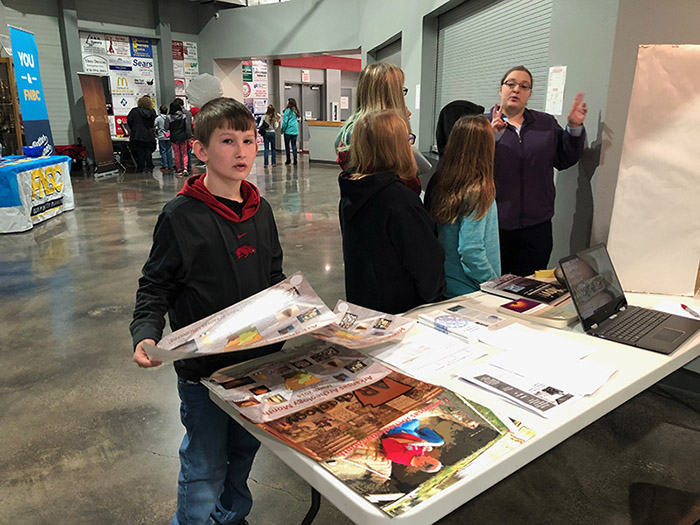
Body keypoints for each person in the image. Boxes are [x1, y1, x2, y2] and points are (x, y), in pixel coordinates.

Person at [130, 97, 285, 525]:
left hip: (256, 367)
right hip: (204, 374)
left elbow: (274, 273)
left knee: (242, 454)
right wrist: (146, 331)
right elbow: (155, 284)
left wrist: (296, 313)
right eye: (227, 141)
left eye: (249, 141)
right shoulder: (180, 216)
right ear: (200, 149)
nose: (241, 151)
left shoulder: (261, 209)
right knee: (205, 465)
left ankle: (230, 517)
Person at [338, 109, 445, 314]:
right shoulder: (399, 201)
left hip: (365, 308)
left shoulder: (352, 189)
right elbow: (427, 269)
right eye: (407, 139)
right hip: (403, 314)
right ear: (396, 148)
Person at [489, 65, 587, 277]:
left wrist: (574, 128)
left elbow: (564, 158)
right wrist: (492, 138)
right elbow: (473, 167)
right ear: (501, 89)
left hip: (537, 225)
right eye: (511, 84)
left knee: (530, 288)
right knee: (495, 287)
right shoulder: (482, 125)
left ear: (530, 94)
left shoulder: (545, 123)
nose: (516, 90)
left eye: (524, 86)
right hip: (496, 224)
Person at [426, 115, 501, 297]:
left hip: (445, 284)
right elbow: (471, 250)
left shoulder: (441, 180)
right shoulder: (479, 189)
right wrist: (494, 283)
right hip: (472, 291)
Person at [334, 62, 424, 194]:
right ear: (390, 94)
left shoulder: (353, 128)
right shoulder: (380, 132)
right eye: (400, 90)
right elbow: (397, 184)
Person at [126, 95, 156, 172]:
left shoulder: (134, 111)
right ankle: (149, 166)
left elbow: (129, 121)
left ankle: (141, 167)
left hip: (138, 135)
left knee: (140, 152)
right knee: (148, 152)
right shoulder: (152, 112)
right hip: (149, 135)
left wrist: (134, 129)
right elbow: (152, 124)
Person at [168, 99, 193, 176]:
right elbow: (188, 126)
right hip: (184, 136)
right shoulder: (186, 114)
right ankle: (186, 167)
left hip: (174, 137)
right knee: (185, 152)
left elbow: (166, 127)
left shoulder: (170, 116)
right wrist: (189, 136)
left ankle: (179, 168)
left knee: (177, 153)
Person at [280, 98, 300, 165]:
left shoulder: (287, 111)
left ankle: (288, 159)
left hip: (288, 130)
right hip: (295, 130)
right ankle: (295, 159)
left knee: (287, 145)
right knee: (294, 145)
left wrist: (282, 130)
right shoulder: (296, 110)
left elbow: (285, 122)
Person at [155, 105, 173, 172]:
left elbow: (154, 125)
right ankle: (170, 165)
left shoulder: (158, 118)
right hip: (169, 136)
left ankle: (165, 165)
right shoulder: (169, 118)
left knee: (163, 151)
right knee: (169, 151)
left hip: (162, 136)